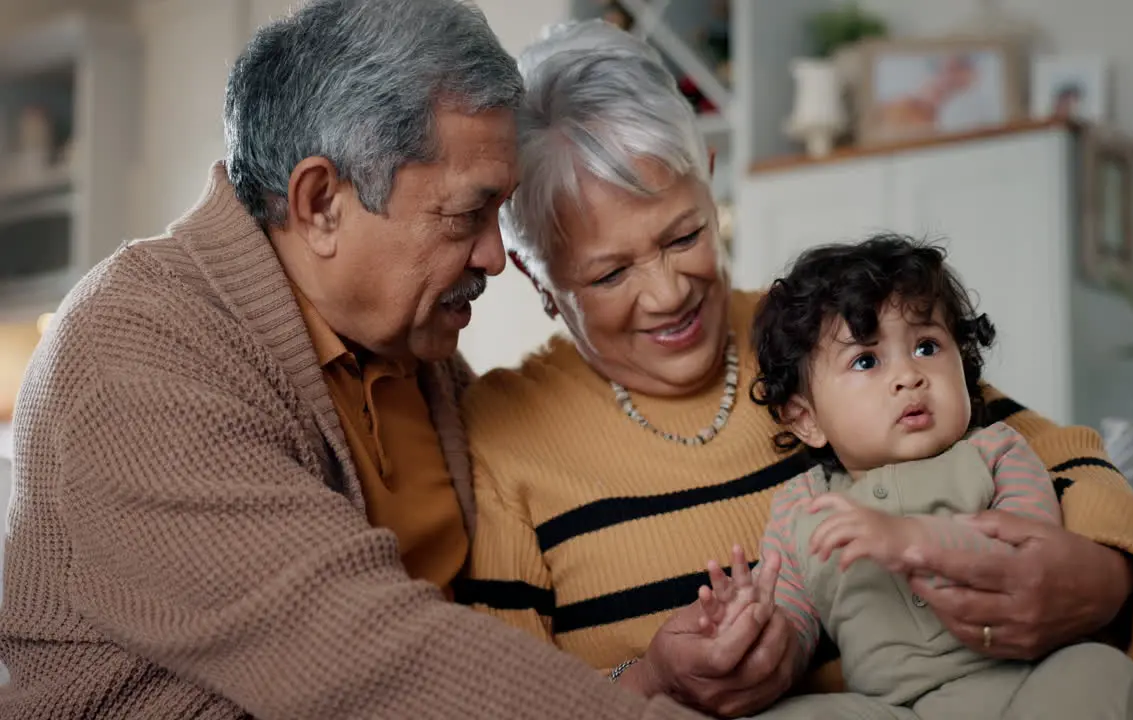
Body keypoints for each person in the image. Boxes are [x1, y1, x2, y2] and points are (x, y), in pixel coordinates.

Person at [462, 19, 1133, 720]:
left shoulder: (824, 330)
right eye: (611, 273)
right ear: (535, 276)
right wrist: (651, 683)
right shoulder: (503, 440)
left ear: (711, 182)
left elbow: (1062, 464)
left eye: (684, 235)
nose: (668, 293)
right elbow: (502, 695)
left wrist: (1098, 580)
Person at [0, 2, 704, 718]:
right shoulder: (135, 349)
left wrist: (639, 682)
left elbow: (479, 635)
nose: (495, 256)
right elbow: (371, 657)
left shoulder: (412, 348)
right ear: (321, 203)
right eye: (467, 215)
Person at [692, 236, 1133, 718]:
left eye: (927, 346)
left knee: (1100, 670)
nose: (909, 375)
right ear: (807, 419)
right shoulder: (800, 508)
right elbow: (795, 630)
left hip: (1025, 686)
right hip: (893, 710)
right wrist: (752, 627)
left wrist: (910, 540)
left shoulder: (995, 451)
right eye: (866, 360)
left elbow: (1028, 557)